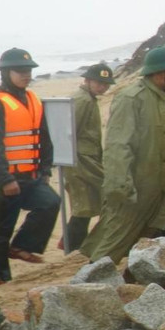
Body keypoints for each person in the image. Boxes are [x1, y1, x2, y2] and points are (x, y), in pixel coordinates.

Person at [79, 46, 165, 265]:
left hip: (160, 191)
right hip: (132, 191)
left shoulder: (163, 97)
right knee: (110, 248)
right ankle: (87, 287)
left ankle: (156, 284)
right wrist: (121, 188)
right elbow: (117, 147)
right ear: (162, 72)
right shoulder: (132, 98)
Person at [0, 48, 58, 286]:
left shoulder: (33, 99)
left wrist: (45, 170)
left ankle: (22, 246)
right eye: (20, 71)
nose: (26, 75)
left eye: (29, 70)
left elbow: (44, 138)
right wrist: (5, 179)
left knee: (50, 203)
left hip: (28, 175)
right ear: (5, 72)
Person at [62, 62, 115, 252]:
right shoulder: (83, 100)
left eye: (106, 83)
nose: (103, 87)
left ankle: (72, 242)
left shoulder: (88, 99)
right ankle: (73, 245)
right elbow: (70, 132)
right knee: (90, 202)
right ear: (88, 80)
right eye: (100, 82)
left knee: (86, 204)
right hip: (81, 161)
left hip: (87, 158)